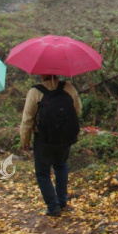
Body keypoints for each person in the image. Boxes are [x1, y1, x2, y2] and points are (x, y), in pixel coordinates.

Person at [20, 74, 82, 216]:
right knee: (61, 166)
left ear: (42, 73)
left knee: (42, 172)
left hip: (43, 138)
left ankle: (53, 207)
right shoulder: (69, 87)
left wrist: (25, 140)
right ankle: (62, 202)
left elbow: (27, 119)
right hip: (65, 137)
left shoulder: (35, 91)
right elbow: (77, 110)